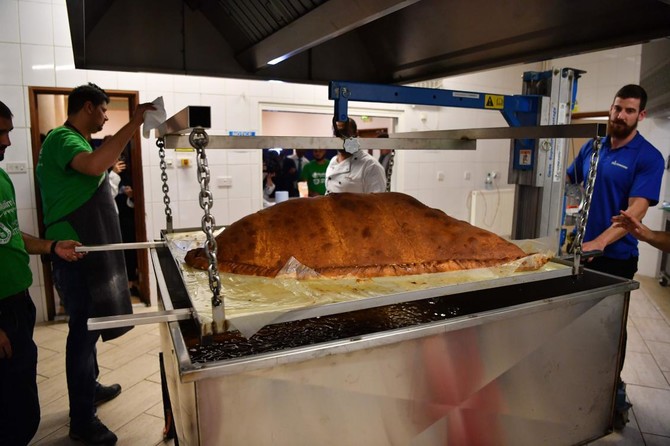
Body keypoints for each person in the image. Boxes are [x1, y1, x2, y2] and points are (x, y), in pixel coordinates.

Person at [35, 83, 155, 445]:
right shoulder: (63, 139)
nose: (105, 117)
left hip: (86, 251)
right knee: (82, 335)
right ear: (87, 107)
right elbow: (95, 166)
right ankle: (82, 420)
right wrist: (135, 122)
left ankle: (91, 386)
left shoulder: (77, 140)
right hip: (74, 253)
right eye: (104, 110)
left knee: (89, 328)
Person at [566, 84, 664, 429]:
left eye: (628, 110)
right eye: (617, 107)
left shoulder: (648, 157)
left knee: (609, 332)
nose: (620, 115)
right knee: (572, 324)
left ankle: (609, 393)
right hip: (578, 252)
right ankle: (570, 386)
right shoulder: (593, 147)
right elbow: (570, 182)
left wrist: (599, 242)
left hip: (615, 258)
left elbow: (635, 213)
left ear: (641, 115)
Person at [0, 100, 83, 445]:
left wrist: (51, 247)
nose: (6, 141)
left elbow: (11, 234)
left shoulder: (2, 177)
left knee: (23, 407)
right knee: (11, 416)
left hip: (18, 306)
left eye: (7, 131)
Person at [325, 117, 386, 194]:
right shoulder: (333, 161)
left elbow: (377, 202)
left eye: (344, 133)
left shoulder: (371, 166)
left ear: (355, 134)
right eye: (336, 133)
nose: (340, 138)